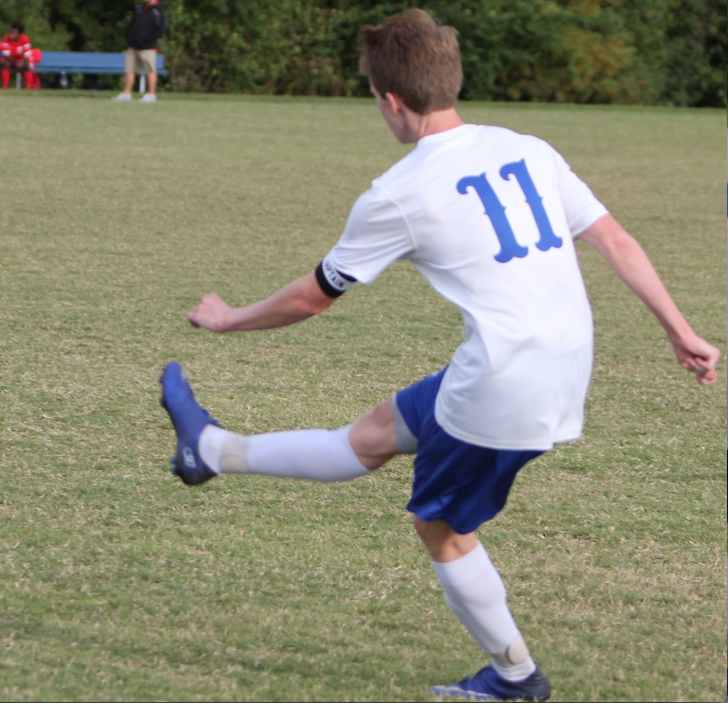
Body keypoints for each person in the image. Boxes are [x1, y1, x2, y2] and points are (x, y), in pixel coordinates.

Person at [159, 10, 721, 701]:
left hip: (505, 379)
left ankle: (516, 676)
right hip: (557, 359)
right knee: (376, 431)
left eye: (373, 98)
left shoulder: (398, 191)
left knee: (442, 526)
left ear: (392, 101)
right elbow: (618, 241)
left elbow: (312, 298)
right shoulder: (528, 148)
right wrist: (679, 328)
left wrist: (226, 320)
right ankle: (209, 450)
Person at [112, 0, 167, 103]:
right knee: (129, 69)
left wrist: (147, 40)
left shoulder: (159, 11)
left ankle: (151, 95)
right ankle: (126, 94)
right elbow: (132, 25)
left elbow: (161, 30)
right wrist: (131, 39)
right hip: (133, 46)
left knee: (150, 70)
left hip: (148, 47)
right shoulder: (139, 9)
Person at [1, 22, 35, 90]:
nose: (11, 34)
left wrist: (22, 61)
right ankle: (5, 87)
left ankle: (28, 87)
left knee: (27, 64)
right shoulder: (6, 38)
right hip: (11, 60)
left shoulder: (25, 39)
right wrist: (16, 61)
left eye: (13, 33)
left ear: (19, 34)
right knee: (5, 63)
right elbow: (6, 55)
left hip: (22, 61)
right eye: (11, 32)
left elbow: (27, 55)